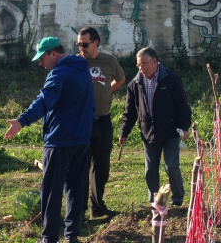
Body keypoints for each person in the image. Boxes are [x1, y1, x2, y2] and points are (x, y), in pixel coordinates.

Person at [4, 36, 95, 243]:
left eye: (42, 58)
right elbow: (91, 105)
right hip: (82, 140)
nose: (40, 63)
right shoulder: (83, 71)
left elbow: (44, 100)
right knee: (75, 186)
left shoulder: (59, 73)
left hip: (59, 141)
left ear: (53, 54)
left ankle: (49, 239)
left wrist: (21, 121)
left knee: (51, 189)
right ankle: (72, 235)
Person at [118, 47, 191, 206]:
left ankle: (178, 199)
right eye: (138, 65)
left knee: (171, 166)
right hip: (148, 133)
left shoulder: (171, 79)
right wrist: (124, 132)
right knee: (150, 170)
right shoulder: (135, 84)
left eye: (144, 64)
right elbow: (129, 112)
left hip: (171, 131)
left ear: (155, 62)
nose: (141, 68)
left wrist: (185, 127)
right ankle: (155, 201)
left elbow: (182, 105)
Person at [77, 26, 126, 218]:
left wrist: (107, 91)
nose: (81, 47)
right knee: (81, 165)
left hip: (103, 121)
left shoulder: (109, 61)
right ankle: (79, 210)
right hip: (82, 122)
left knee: (102, 166)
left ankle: (97, 207)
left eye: (85, 44)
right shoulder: (75, 62)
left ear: (96, 43)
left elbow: (121, 79)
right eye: (79, 44)